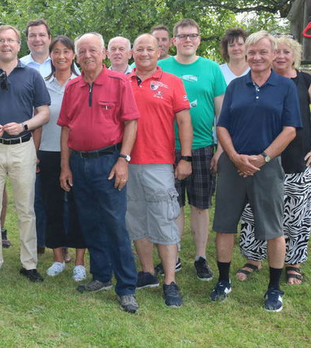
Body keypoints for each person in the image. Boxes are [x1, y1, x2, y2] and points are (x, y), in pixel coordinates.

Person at [211, 31, 300, 313]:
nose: (257, 57)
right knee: (224, 225)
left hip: (268, 167)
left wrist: (263, 158)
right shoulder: (236, 86)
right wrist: (235, 157)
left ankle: (274, 289)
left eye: (263, 52)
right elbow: (222, 126)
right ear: (246, 55)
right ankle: (223, 281)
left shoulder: (285, 87)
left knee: (274, 229)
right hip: (233, 165)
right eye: (252, 53)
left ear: (273, 54)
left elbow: (290, 129)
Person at [58, 32, 140, 313]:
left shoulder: (119, 82)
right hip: (79, 164)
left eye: (93, 50)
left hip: (108, 163)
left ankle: (126, 287)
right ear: (77, 57)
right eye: (82, 51)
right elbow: (66, 129)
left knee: (115, 224)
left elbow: (131, 123)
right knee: (90, 222)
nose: (87, 56)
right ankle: (102, 276)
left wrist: (123, 160)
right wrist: (65, 166)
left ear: (103, 53)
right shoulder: (73, 87)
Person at [0, 24, 50, 282]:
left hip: (23, 147)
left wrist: (24, 125)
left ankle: (29, 264)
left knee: (26, 209)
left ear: (18, 45)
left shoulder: (32, 76)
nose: (6, 44)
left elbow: (44, 113)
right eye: (1, 40)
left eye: (10, 40)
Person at [237, 36, 311, 285]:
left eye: (286, 52)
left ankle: (293, 263)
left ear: (295, 55)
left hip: (296, 159)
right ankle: (253, 258)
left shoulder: (304, 81)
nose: (280, 56)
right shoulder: (258, 82)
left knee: (295, 213)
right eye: (276, 51)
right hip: (262, 158)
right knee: (254, 211)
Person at [126, 34, 192, 308]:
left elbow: (184, 121)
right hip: (128, 163)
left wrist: (185, 158)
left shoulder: (172, 82)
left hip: (159, 163)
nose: (144, 53)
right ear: (132, 53)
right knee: (136, 219)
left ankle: (170, 282)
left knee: (164, 220)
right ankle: (147, 273)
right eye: (139, 49)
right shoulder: (123, 82)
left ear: (159, 52)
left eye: (149, 49)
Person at [159, 18, 226, 280]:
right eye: (183, 35)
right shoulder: (161, 67)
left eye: (193, 35)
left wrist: (220, 149)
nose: (188, 40)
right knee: (172, 205)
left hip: (202, 147)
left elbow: (222, 114)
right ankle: (173, 257)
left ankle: (200, 257)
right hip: (167, 148)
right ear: (173, 40)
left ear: (199, 40)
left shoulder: (212, 69)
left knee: (200, 206)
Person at [34, 35, 87, 281]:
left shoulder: (83, 83)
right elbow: (38, 123)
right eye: (56, 51)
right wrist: (34, 154)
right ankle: (57, 258)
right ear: (50, 55)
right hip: (48, 152)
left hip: (78, 153)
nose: (61, 56)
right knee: (51, 205)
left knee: (78, 206)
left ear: (73, 55)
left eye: (66, 51)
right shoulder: (43, 85)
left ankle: (79, 261)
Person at [19, 18, 53, 252]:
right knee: (32, 195)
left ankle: (58, 243)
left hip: (58, 138)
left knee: (57, 194)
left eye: (41, 35)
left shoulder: (62, 61)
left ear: (49, 38)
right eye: (32, 35)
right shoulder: (19, 65)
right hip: (29, 138)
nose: (37, 39)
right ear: (27, 39)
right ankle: (38, 241)